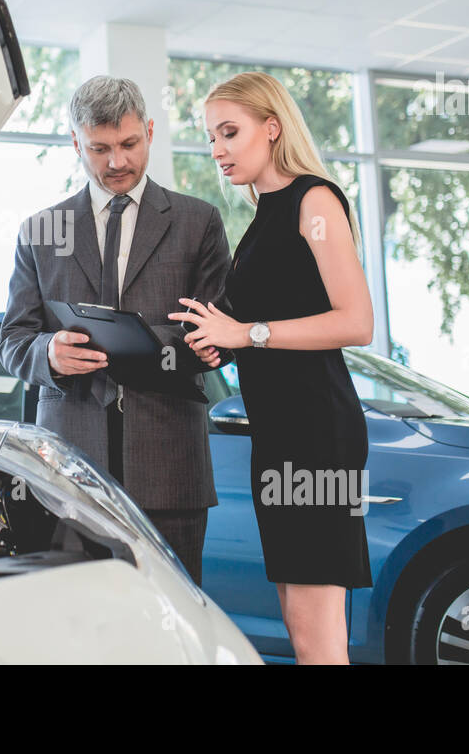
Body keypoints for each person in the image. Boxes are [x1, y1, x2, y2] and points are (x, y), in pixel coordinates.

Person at [168, 71, 373, 665]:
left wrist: (247, 334)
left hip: (316, 433)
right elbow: (274, 321)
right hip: (278, 433)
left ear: (272, 126)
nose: (218, 150)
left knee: (316, 633)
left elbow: (356, 322)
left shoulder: (314, 199)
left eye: (230, 132)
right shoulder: (261, 219)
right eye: (210, 138)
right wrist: (220, 343)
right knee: (297, 614)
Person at [0, 75, 231, 584]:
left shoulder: (199, 223)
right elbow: (12, 340)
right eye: (99, 149)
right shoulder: (41, 231)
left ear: (149, 131)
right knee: (78, 623)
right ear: (75, 142)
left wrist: (153, 347)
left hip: (169, 464)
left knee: (176, 620)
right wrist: (48, 354)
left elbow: (220, 334)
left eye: (129, 144)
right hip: (67, 471)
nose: (117, 162)